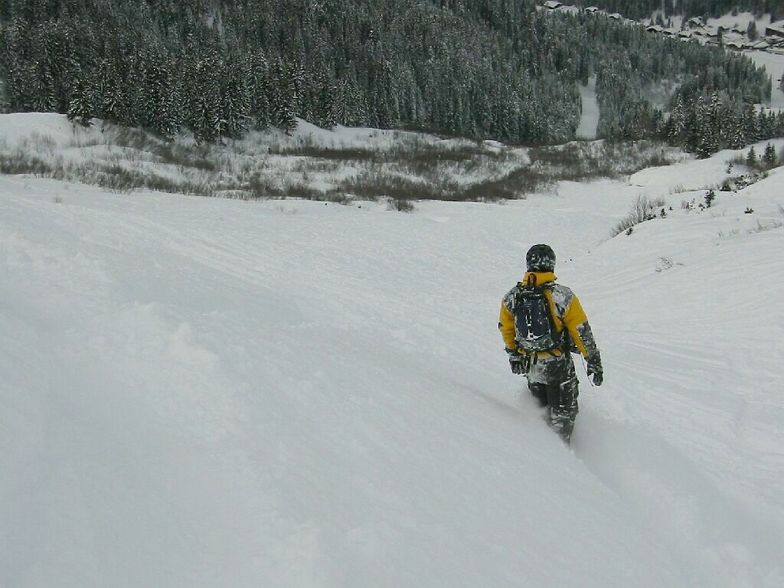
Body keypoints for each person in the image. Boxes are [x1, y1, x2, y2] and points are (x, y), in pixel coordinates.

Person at [498, 244, 603, 444]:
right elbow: (580, 331)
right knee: (563, 419)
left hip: (532, 367)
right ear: (552, 265)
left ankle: (541, 456)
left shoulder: (512, 296)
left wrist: (514, 356)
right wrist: (593, 361)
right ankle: (562, 463)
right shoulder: (562, 295)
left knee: (540, 417)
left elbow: (506, 328)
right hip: (559, 368)